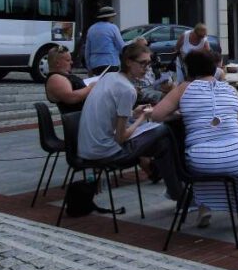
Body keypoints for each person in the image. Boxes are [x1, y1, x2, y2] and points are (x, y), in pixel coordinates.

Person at [152, 49, 238, 228]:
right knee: (236, 165)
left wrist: (180, 113)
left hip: (201, 159)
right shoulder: (232, 90)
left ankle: (204, 209)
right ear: (214, 68)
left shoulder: (184, 89)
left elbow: (156, 115)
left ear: (189, 70)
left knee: (201, 159)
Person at [77, 40, 183, 199]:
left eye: (148, 64)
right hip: (105, 152)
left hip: (87, 148)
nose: (146, 68)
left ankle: (176, 192)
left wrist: (133, 114)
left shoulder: (109, 77)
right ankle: (180, 189)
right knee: (165, 129)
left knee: (163, 145)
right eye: (142, 63)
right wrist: (142, 117)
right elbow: (121, 138)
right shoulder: (127, 90)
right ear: (128, 62)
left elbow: (110, 116)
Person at [44, 45, 93, 114]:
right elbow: (71, 97)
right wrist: (90, 88)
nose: (71, 62)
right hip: (77, 116)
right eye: (68, 60)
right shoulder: (55, 78)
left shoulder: (62, 76)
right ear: (57, 63)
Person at [83, 6, 125, 76]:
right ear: (109, 17)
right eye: (113, 16)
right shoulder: (113, 28)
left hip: (95, 64)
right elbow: (121, 46)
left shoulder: (91, 29)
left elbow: (87, 50)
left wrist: (89, 67)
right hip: (111, 62)